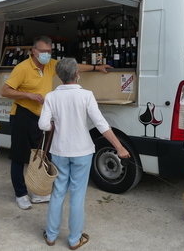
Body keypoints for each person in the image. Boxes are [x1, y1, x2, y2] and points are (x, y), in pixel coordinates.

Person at [0, 36, 111, 210]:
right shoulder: (22, 68)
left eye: (49, 51)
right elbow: (5, 91)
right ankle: (20, 194)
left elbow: (73, 66)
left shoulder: (51, 64)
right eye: (43, 51)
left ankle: (38, 191)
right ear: (34, 51)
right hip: (22, 115)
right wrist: (28, 95)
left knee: (41, 156)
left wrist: (96, 67)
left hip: (41, 117)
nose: (46, 54)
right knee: (19, 157)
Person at [38, 58, 130, 250]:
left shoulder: (51, 97)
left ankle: (51, 236)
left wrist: (53, 125)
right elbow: (101, 124)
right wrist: (119, 147)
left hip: (59, 151)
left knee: (57, 193)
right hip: (82, 152)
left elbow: (43, 125)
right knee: (77, 195)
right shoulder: (86, 95)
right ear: (76, 75)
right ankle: (74, 240)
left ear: (60, 76)